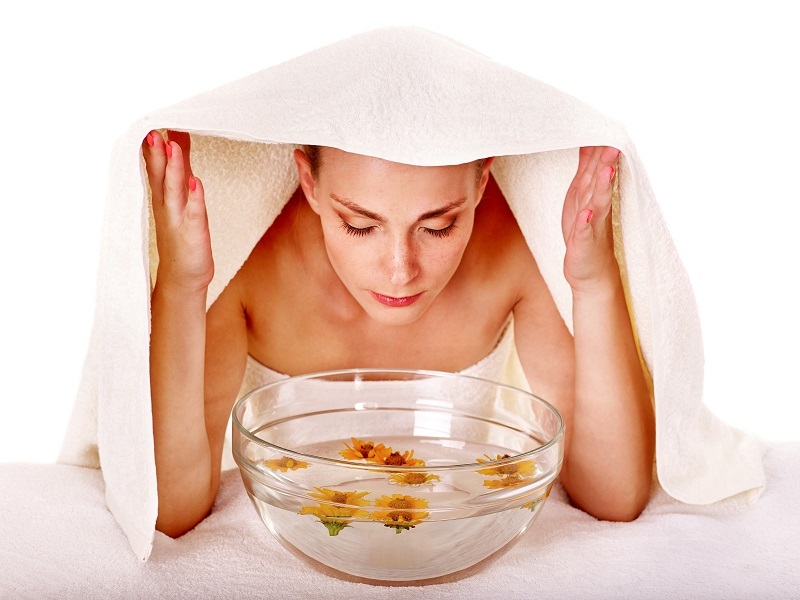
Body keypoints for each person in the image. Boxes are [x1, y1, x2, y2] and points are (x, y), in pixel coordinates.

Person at [144, 130, 655, 538]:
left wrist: (593, 284)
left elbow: (614, 496)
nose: (399, 271)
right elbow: (170, 509)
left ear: (481, 183)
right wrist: (181, 285)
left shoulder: (512, 244)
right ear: (310, 183)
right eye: (359, 225)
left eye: (438, 227)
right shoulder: (245, 262)